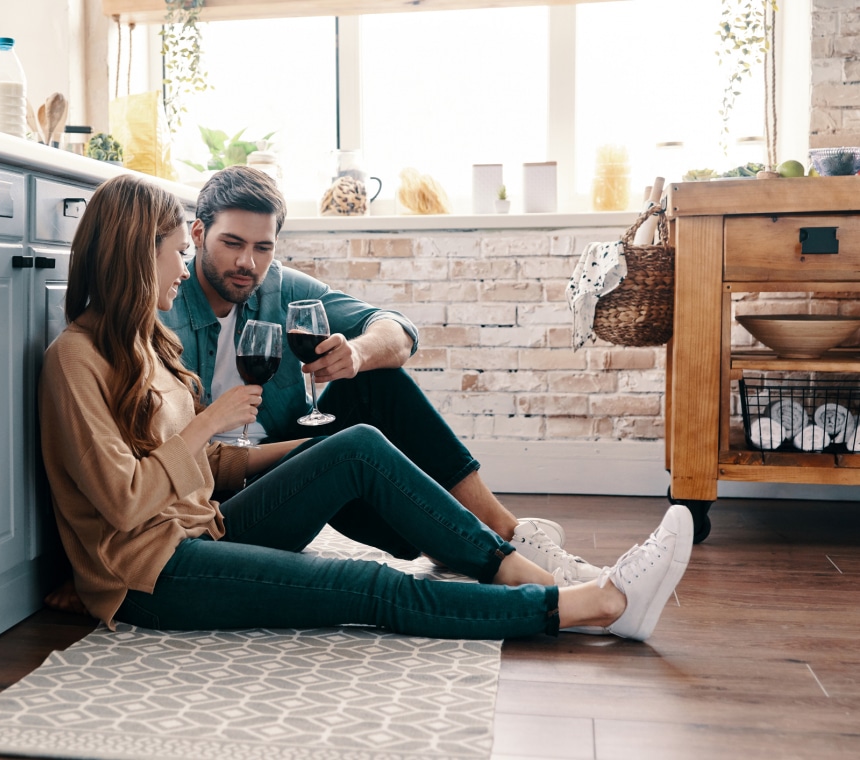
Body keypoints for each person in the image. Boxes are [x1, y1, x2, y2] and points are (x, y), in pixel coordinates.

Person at [38, 172, 693, 643]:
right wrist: (212, 420)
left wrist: (309, 453)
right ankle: (590, 605)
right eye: (177, 251)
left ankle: (518, 562)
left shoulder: (148, 341)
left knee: (357, 444)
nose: (183, 268)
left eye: (186, 252)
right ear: (135, 253)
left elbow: (204, 465)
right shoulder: (76, 358)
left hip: (206, 528)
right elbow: (124, 503)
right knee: (369, 589)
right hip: (152, 574)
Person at [158, 165, 598, 583]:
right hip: (217, 502)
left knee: (373, 381)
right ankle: (466, 540)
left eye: (263, 248)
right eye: (233, 244)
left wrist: (357, 354)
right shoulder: (162, 302)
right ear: (198, 233)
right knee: (355, 453)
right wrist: (318, 446)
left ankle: (502, 531)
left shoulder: (280, 288)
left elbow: (398, 329)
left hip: (283, 467)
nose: (248, 264)